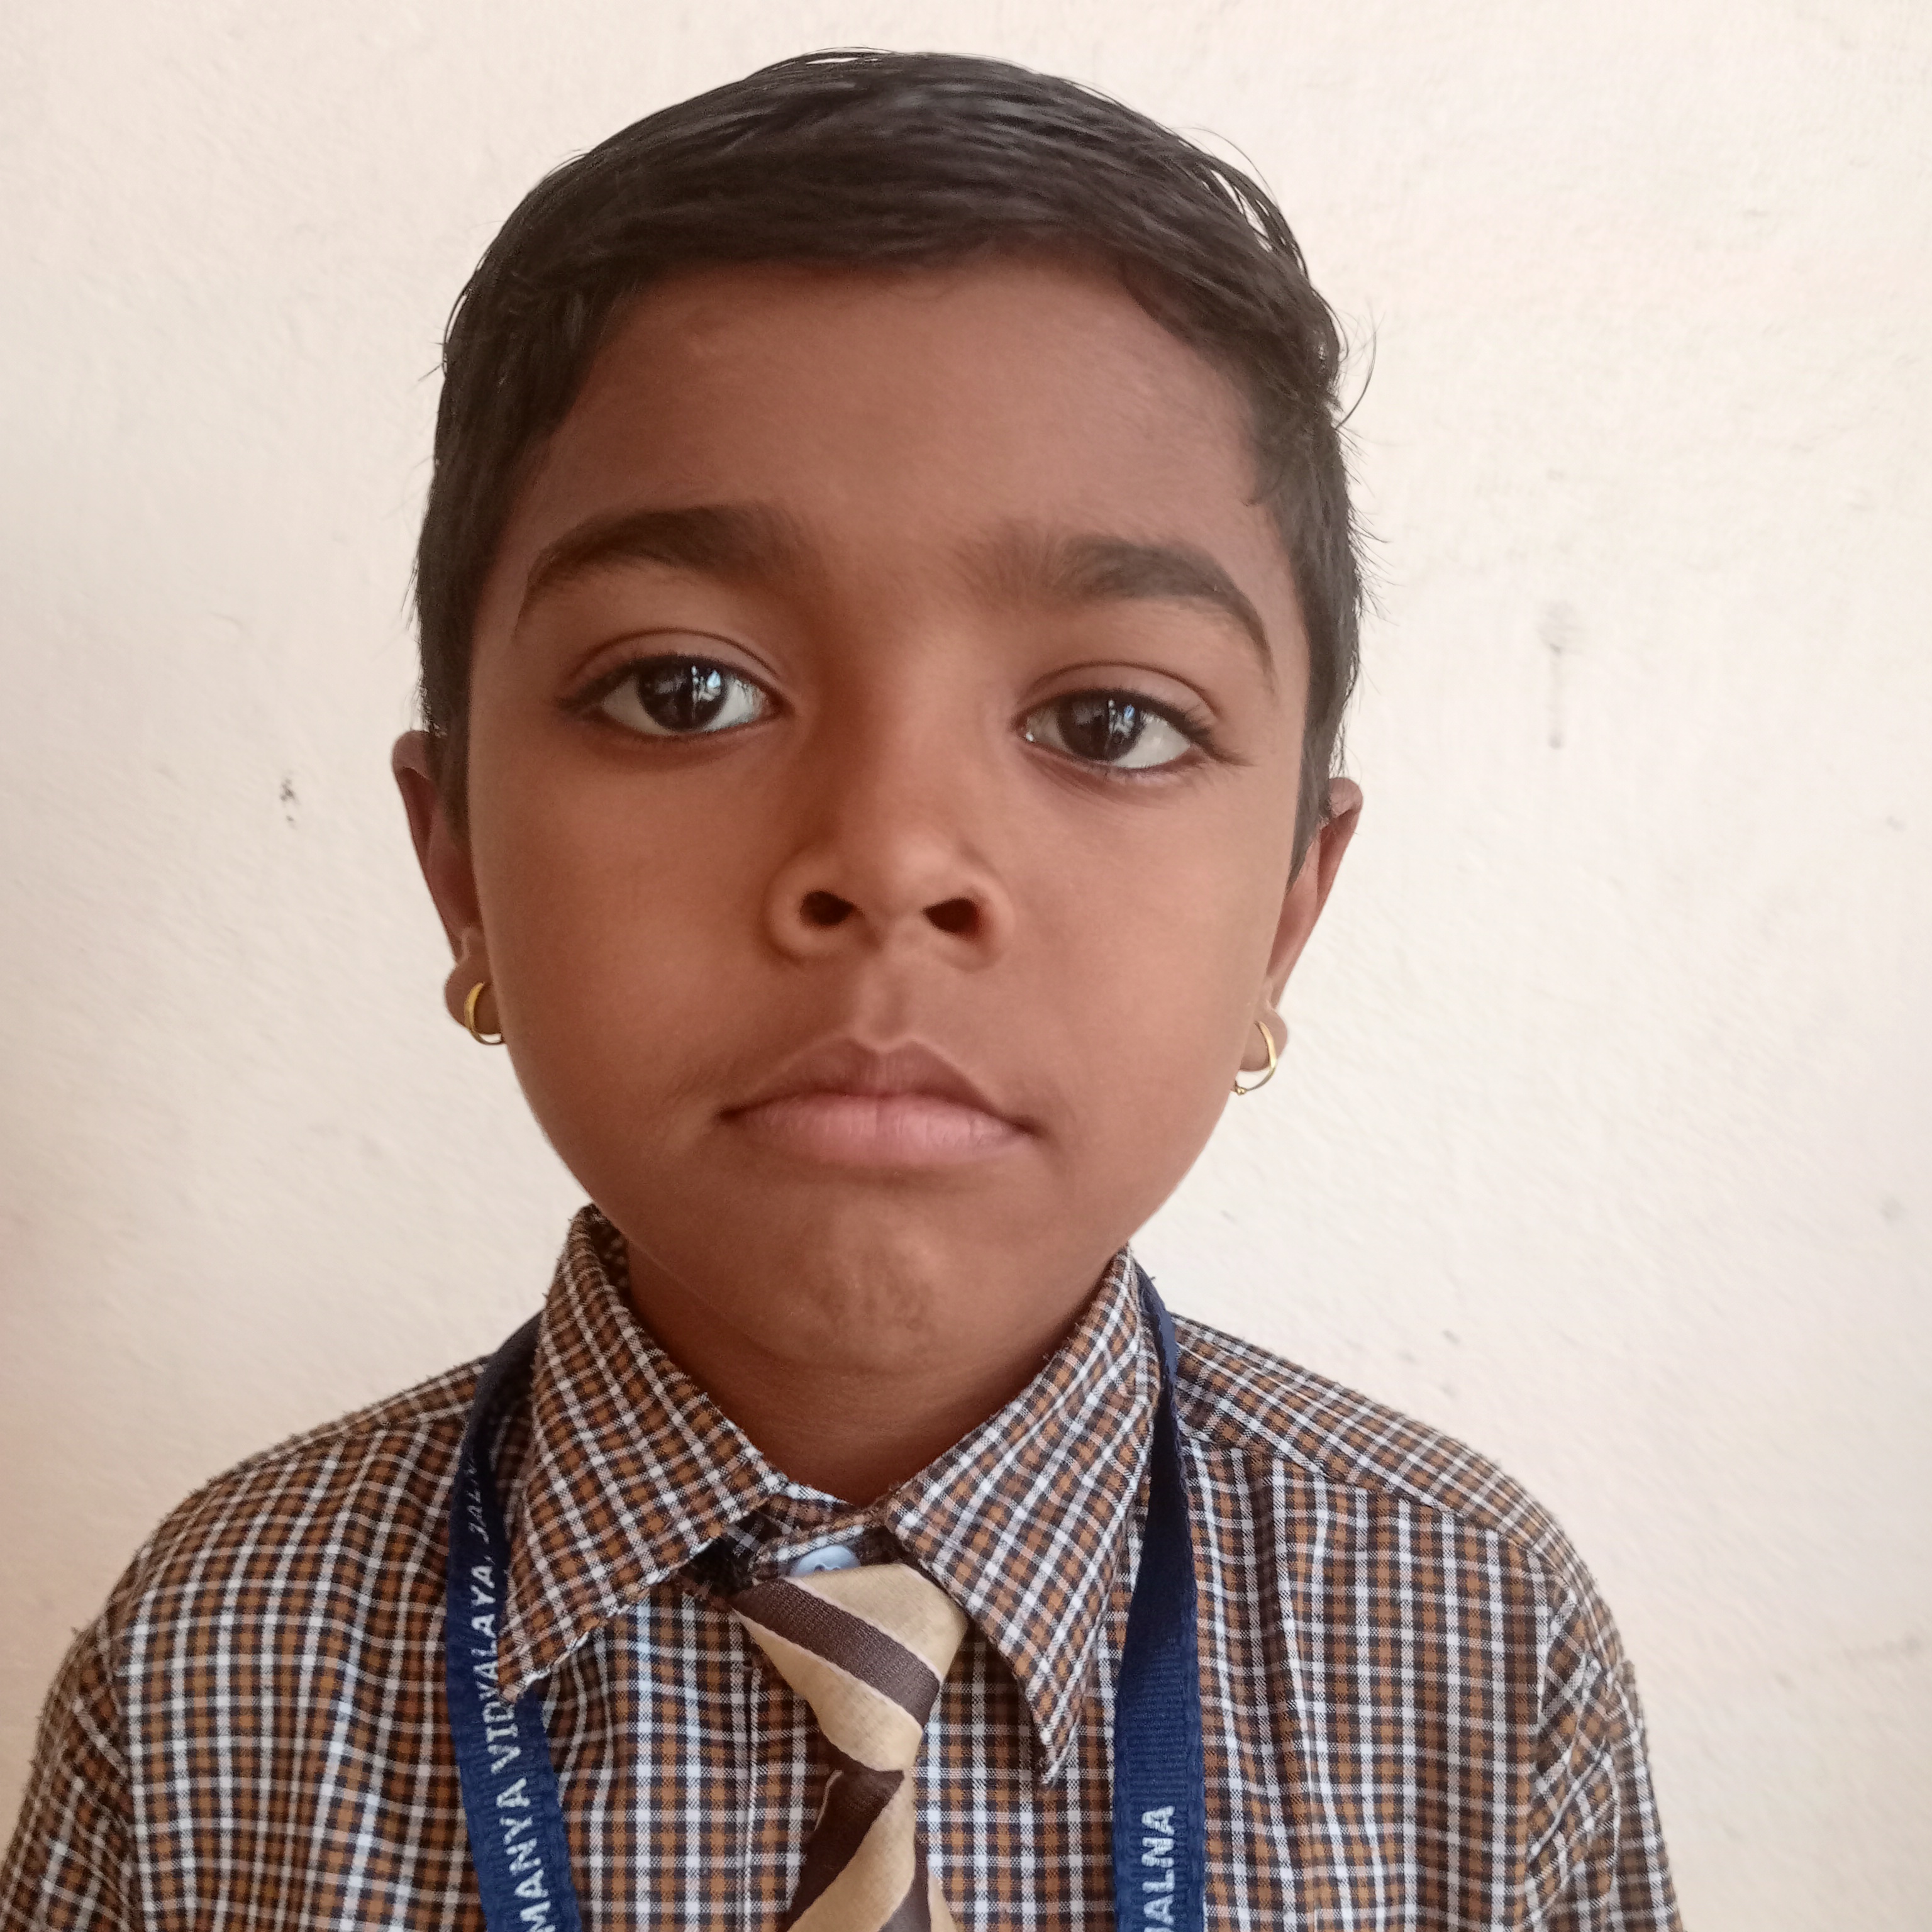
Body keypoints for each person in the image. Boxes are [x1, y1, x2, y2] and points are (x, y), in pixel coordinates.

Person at [0, 49, 1680, 1932]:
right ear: (457, 858)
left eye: (1108, 722)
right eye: (684, 690)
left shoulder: (1477, 1643)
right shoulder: (209, 1663)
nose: (889, 855)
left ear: (1291, 908)